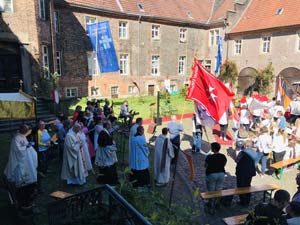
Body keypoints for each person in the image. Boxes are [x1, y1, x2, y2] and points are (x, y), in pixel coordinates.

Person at [4, 125, 38, 209]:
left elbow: (24, 145)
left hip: (26, 161)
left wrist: (28, 144)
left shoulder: (22, 136)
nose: (27, 132)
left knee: (29, 184)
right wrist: (26, 146)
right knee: (23, 185)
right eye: (26, 130)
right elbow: (18, 151)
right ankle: (22, 203)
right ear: (22, 130)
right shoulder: (16, 138)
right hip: (20, 163)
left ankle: (28, 199)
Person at [95, 121, 118, 186]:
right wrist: (111, 145)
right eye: (110, 124)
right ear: (107, 125)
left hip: (106, 152)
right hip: (105, 153)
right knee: (107, 166)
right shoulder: (103, 132)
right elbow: (101, 143)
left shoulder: (105, 132)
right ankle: (107, 180)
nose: (111, 126)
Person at [235, 140, 256, 206]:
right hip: (250, 172)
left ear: (245, 145)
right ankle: (247, 200)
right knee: (247, 185)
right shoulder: (255, 153)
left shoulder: (242, 152)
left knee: (240, 186)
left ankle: (243, 201)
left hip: (242, 172)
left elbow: (237, 160)